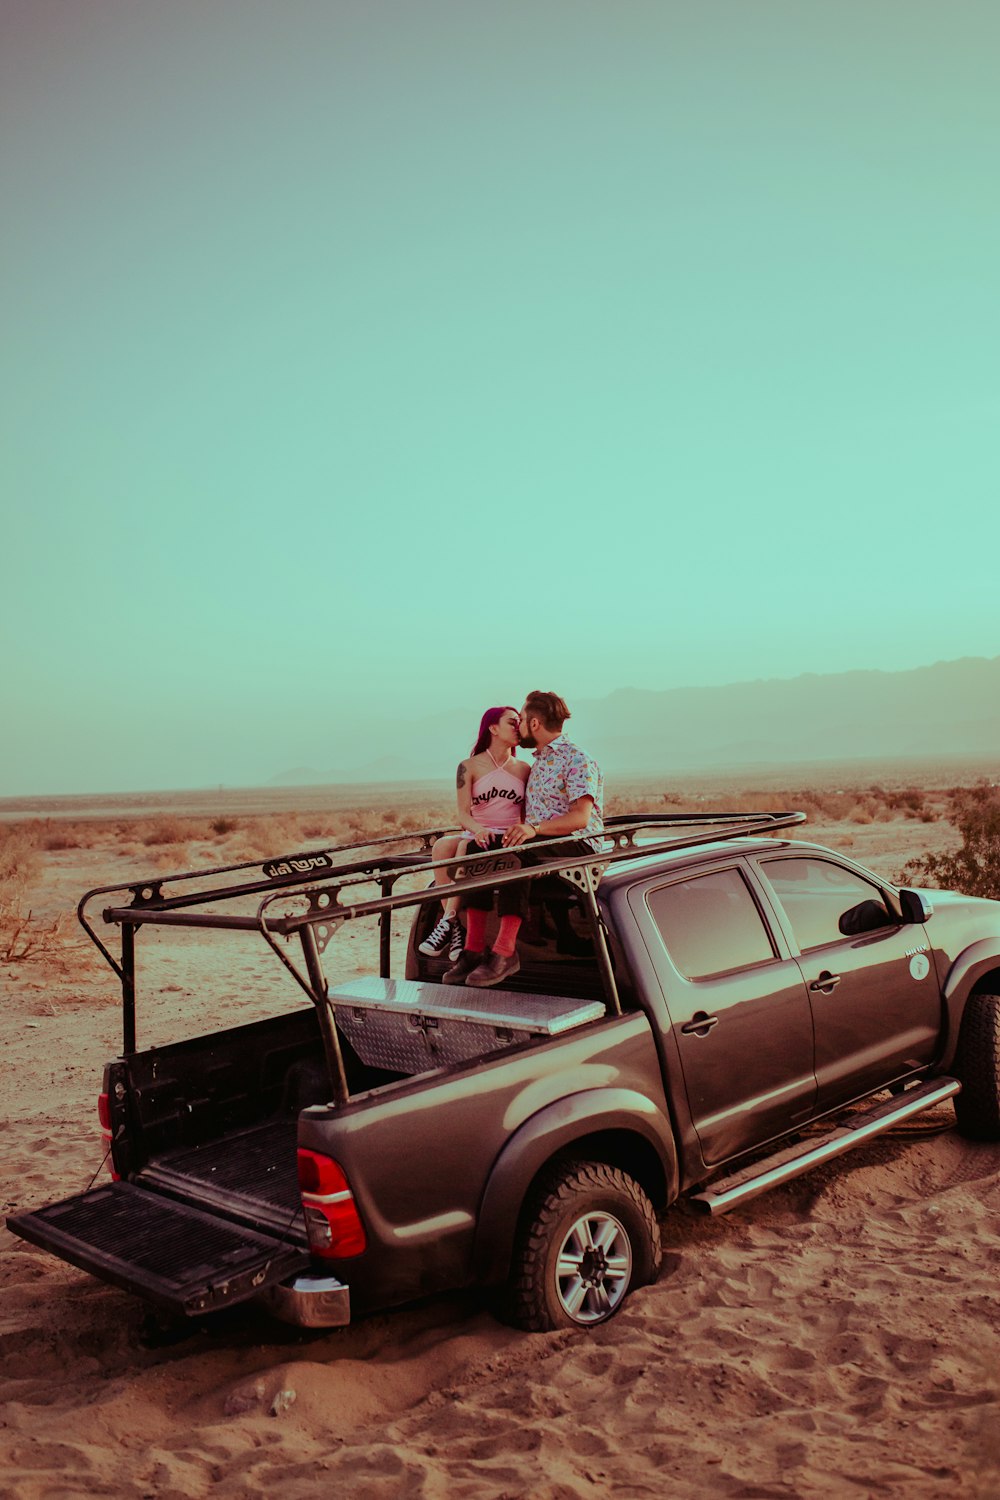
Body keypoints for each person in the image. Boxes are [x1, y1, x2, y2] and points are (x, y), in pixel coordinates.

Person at [445, 690, 604, 987]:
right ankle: (473, 950)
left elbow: (580, 819)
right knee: (481, 850)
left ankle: (505, 952)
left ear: (533, 724)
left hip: (579, 844)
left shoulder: (578, 760)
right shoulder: (538, 762)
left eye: (521, 720)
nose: (517, 726)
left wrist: (534, 829)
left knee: (514, 854)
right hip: (539, 841)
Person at [418, 706, 529, 963]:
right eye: (512, 722)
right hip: (479, 833)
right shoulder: (468, 766)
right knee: (442, 847)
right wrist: (479, 829)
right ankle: (453, 926)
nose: (518, 727)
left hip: (507, 836)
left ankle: (451, 924)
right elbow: (463, 814)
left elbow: (525, 815)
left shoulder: (524, 768)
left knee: (460, 850)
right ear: (493, 728)